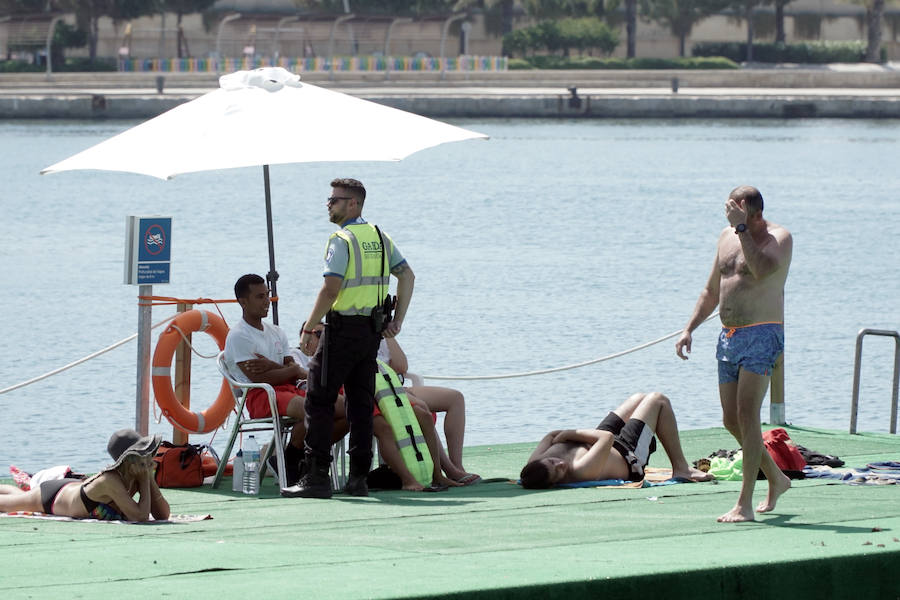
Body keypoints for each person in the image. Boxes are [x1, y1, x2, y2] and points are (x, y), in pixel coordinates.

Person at [284, 177, 415, 499]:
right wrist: (397, 320)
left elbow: (331, 288)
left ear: (353, 203)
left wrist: (309, 326)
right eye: (329, 200)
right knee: (359, 403)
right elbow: (407, 275)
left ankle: (316, 477)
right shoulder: (380, 237)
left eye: (334, 200)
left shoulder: (341, 239)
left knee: (319, 399)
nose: (328, 205)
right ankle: (358, 479)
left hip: (342, 329)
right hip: (371, 332)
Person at [675, 185, 793, 523]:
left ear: (754, 213)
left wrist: (742, 230)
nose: (733, 220)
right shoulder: (726, 237)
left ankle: (744, 503)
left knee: (747, 414)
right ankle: (777, 477)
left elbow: (761, 269)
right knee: (731, 419)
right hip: (728, 336)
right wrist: (689, 328)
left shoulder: (778, 237)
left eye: (740, 214)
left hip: (762, 333)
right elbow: (712, 289)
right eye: (731, 214)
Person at [224, 273, 347, 487]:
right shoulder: (238, 336)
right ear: (243, 302)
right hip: (261, 394)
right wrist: (290, 371)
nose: (267, 302)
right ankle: (307, 464)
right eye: (260, 297)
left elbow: (289, 368)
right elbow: (259, 378)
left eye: (268, 296)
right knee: (316, 410)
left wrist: (276, 367)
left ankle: (292, 456)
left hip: (288, 388)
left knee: (347, 410)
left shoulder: (276, 331)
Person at [520, 392, 711, 489]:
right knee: (658, 400)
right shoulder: (580, 470)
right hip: (627, 453)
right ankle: (681, 467)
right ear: (556, 483)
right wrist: (569, 434)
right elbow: (607, 438)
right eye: (559, 471)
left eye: (553, 462)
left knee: (638, 397)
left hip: (596, 442)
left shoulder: (534, 464)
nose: (561, 463)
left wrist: (563, 436)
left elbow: (550, 435)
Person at [0, 429, 169, 522]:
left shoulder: (136, 475)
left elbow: (162, 515)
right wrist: (145, 479)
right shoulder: (110, 480)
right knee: (9, 504)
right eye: (143, 454)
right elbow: (140, 516)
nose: (149, 458)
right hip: (53, 497)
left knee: (22, 496)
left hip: (71, 487)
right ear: (128, 460)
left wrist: (148, 479)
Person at [379, 337, 480, 485]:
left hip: (399, 389)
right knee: (421, 407)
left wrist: (388, 334)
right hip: (381, 391)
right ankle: (447, 469)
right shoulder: (356, 333)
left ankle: (457, 465)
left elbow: (401, 367)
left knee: (456, 399)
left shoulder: (380, 333)